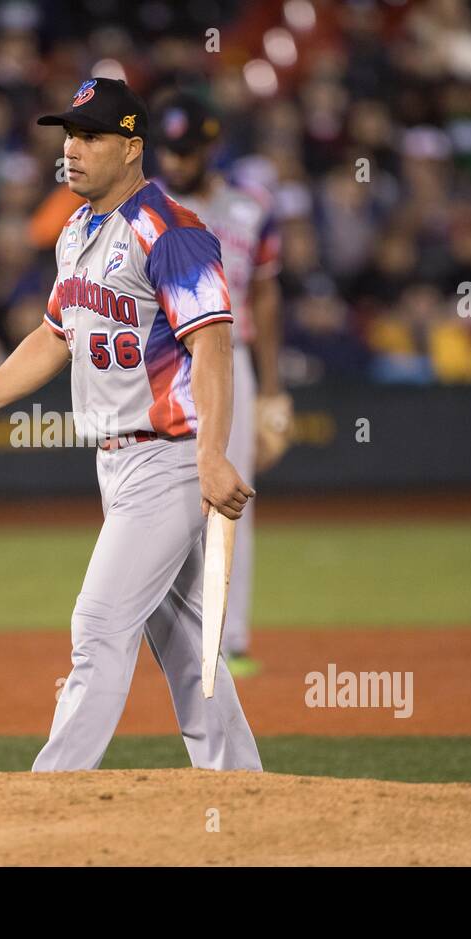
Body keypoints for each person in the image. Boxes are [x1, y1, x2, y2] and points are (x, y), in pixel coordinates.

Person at [0, 78, 263, 772]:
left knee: (98, 625)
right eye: (68, 135)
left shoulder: (173, 231)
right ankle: (243, 787)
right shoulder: (79, 230)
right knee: (183, 640)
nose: (72, 150)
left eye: (90, 136)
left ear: (133, 148)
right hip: (115, 463)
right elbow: (51, 339)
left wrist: (212, 455)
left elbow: (213, 343)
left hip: (168, 457)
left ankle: (53, 790)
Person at [152, 91, 291, 678]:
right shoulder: (147, 205)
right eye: (170, 149)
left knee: (231, 502)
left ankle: (229, 639)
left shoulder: (249, 208)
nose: (177, 161)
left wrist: (273, 390)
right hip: (164, 363)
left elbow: (266, 292)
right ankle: (160, 633)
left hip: (232, 362)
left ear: (211, 147)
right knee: (156, 499)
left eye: (187, 150)